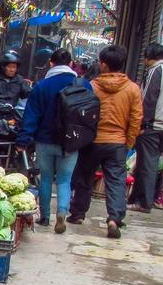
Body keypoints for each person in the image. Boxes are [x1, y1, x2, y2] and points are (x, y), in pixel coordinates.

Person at [68, 45, 144, 239]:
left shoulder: (91, 86)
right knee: (116, 181)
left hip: (92, 141)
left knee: (84, 177)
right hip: (117, 142)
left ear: (103, 64)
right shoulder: (133, 89)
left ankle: (77, 214)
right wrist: (128, 142)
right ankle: (114, 218)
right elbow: (136, 119)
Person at [16, 48, 83, 232]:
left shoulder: (41, 86)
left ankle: (44, 217)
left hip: (44, 141)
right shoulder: (82, 85)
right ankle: (62, 212)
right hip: (71, 142)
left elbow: (31, 117)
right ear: (71, 64)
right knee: (64, 180)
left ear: (51, 63)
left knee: (45, 178)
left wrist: (22, 141)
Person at [128, 43, 163, 212]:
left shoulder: (156, 71)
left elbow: (148, 98)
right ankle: (143, 199)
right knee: (152, 164)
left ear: (149, 57)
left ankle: (144, 202)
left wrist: (143, 124)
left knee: (147, 164)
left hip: (154, 126)